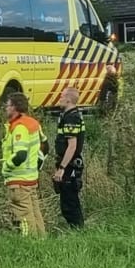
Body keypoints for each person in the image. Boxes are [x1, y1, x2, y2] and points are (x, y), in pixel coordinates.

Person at [1, 90, 48, 237]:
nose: (5, 108)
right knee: (34, 213)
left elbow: (20, 155)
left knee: (23, 218)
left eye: (7, 106)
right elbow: (45, 147)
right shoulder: (33, 123)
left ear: (14, 107)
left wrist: (6, 167)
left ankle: (30, 245)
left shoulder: (19, 127)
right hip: (31, 179)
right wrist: (37, 166)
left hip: (18, 181)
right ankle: (41, 242)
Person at [53, 86, 87, 229]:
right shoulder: (73, 115)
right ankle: (77, 230)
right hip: (70, 164)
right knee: (69, 199)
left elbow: (71, 146)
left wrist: (62, 168)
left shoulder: (71, 117)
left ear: (68, 99)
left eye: (61, 96)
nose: (59, 99)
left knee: (69, 202)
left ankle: (78, 231)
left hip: (70, 165)